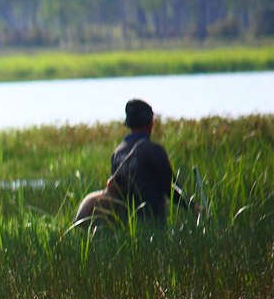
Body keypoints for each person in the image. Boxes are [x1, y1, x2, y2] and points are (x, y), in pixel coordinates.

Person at [75, 98, 193, 228]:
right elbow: (171, 189)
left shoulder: (117, 153)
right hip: (154, 225)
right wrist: (193, 207)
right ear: (150, 123)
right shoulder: (154, 151)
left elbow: (117, 194)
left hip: (129, 227)